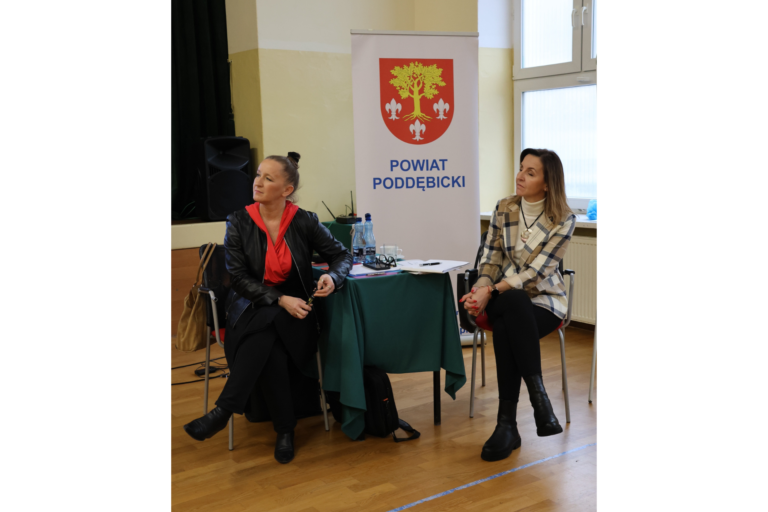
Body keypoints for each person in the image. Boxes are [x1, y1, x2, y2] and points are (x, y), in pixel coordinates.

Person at [184, 152, 353, 464]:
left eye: (268, 178)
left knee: (270, 335)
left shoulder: (305, 220)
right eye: (258, 174)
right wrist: (279, 299)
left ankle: (226, 412)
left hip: (298, 312)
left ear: (287, 190)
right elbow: (238, 279)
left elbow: (342, 255)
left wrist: (332, 276)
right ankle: (283, 431)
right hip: (249, 307)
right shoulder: (238, 221)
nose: (257, 182)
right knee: (270, 329)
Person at [462, 148, 577, 463]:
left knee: (506, 326)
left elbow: (537, 272)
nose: (520, 176)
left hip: (544, 299)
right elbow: (490, 258)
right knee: (511, 302)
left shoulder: (563, 219)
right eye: (521, 168)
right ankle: (540, 403)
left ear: (548, 183)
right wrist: (481, 289)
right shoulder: (505, 207)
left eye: (530, 172)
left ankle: (507, 426)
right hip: (500, 297)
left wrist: (491, 289)